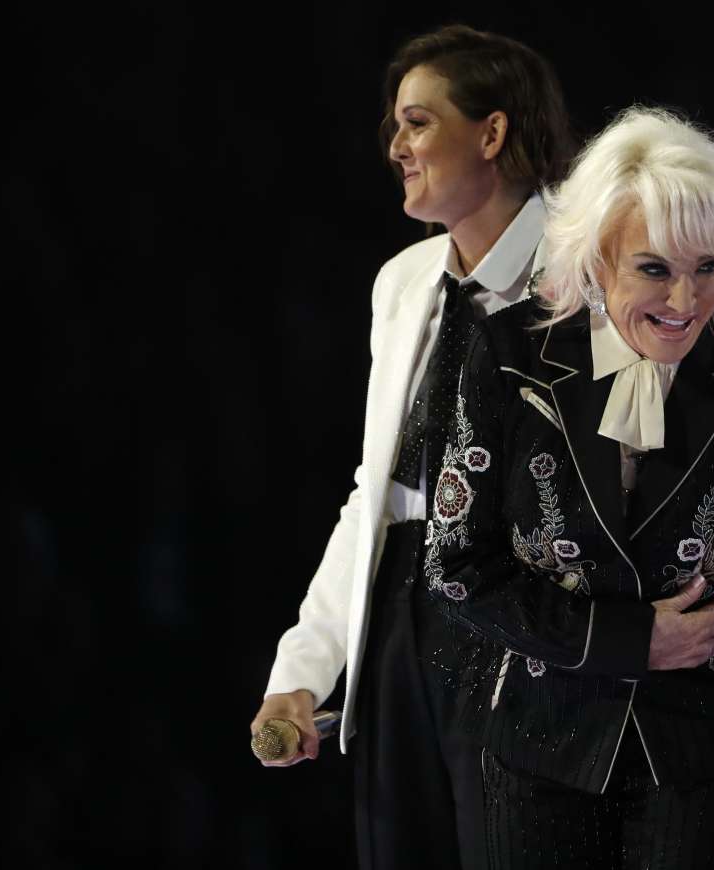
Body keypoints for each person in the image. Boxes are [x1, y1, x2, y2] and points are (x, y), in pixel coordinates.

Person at [424, 106, 714, 870]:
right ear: (595, 257)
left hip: (704, 755)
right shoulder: (508, 352)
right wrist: (627, 641)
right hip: (534, 747)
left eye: (707, 268)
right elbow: (454, 565)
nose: (686, 303)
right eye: (654, 269)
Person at [248, 25, 573, 870]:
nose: (396, 146)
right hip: (400, 620)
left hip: (523, 617)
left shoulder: (591, 274)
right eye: (395, 125)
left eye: (418, 123)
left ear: (492, 133)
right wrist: (303, 670)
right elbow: (377, 496)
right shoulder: (401, 282)